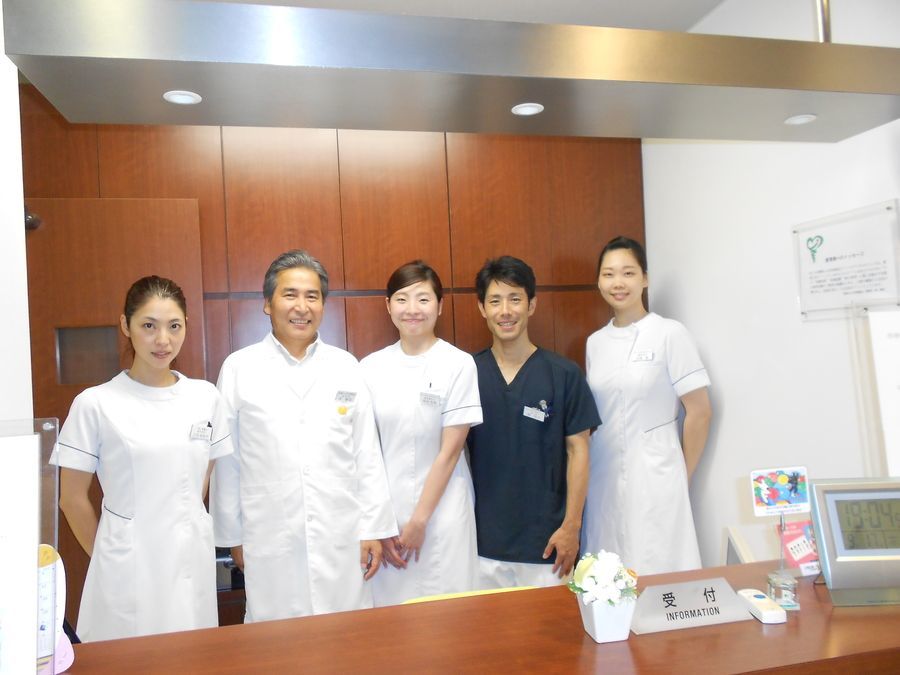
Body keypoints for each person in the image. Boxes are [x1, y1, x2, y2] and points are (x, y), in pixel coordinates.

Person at [210, 250, 397, 622]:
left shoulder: (345, 366)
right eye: (290, 294)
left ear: (323, 305)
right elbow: (227, 462)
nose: (302, 306)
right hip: (269, 533)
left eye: (312, 296)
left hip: (341, 532)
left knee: (345, 631)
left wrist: (373, 528)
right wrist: (233, 537)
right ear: (268, 303)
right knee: (276, 636)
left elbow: (366, 454)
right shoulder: (239, 369)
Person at [51, 276, 232, 642]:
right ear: (126, 325)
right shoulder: (96, 403)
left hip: (189, 561)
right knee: (128, 658)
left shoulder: (205, 397)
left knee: (191, 655)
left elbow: (201, 478)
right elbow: (71, 499)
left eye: (174, 326)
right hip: (127, 565)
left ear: (186, 326)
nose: (163, 340)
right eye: (149, 326)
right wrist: (112, 556)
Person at [466, 256, 600, 588]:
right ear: (482, 308)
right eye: (495, 301)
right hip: (481, 545)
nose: (505, 311)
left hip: (548, 546)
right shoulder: (466, 374)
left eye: (515, 299)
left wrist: (571, 527)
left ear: (532, 304)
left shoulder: (564, 374)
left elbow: (579, 452)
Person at [581, 236, 712, 575]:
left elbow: (699, 411)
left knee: (658, 564)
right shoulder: (595, 343)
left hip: (657, 471)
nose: (618, 283)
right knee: (608, 570)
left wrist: (681, 475)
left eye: (628, 273)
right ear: (599, 281)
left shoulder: (670, 333)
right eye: (609, 274)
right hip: (604, 472)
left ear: (645, 279)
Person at [361, 261, 483, 606]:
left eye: (423, 299)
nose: (412, 309)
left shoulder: (458, 364)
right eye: (402, 299)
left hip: (444, 513)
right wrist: (379, 524)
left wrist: (419, 520)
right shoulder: (369, 368)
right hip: (388, 516)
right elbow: (366, 453)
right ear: (388, 306)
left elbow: (450, 451)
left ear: (440, 306)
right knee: (393, 619)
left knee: (449, 613)